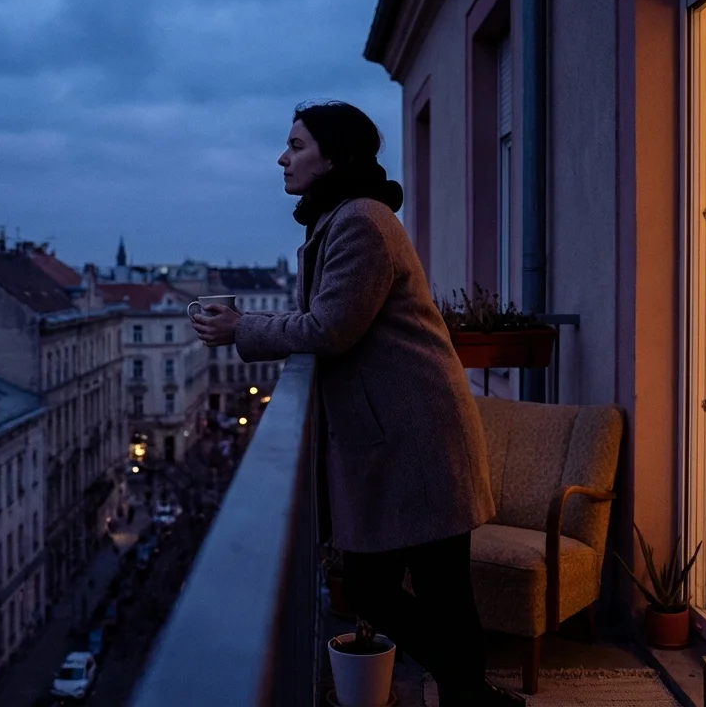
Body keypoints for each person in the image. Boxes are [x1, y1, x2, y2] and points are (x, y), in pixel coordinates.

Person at [192, 101, 521, 706]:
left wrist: (242, 328)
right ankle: (472, 692)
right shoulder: (341, 218)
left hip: (417, 436)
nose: (282, 158)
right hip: (401, 435)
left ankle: (470, 691)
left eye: (296, 146)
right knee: (411, 589)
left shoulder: (361, 222)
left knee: (412, 589)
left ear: (334, 156)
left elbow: (330, 328)